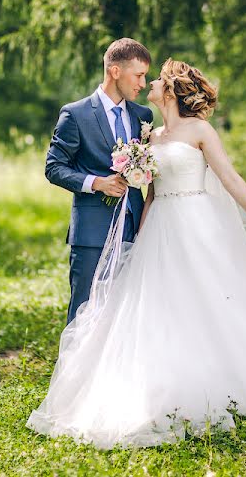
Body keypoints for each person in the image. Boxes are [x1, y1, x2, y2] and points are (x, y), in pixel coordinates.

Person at [30, 58, 246, 449]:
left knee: (215, 303)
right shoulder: (149, 136)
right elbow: (150, 193)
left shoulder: (201, 131)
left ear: (169, 91)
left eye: (155, 79)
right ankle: (165, 391)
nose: (149, 83)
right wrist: (139, 234)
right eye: (144, 76)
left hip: (198, 224)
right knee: (157, 310)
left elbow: (229, 177)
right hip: (159, 229)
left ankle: (237, 385)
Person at [45, 38, 155, 325]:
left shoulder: (143, 116)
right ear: (115, 71)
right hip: (92, 231)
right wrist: (96, 182)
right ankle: (73, 370)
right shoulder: (76, 114)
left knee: (125, 314)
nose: (143, 84)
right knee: (83, 310)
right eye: (139, 75)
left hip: (133, 229)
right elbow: (54, 167)